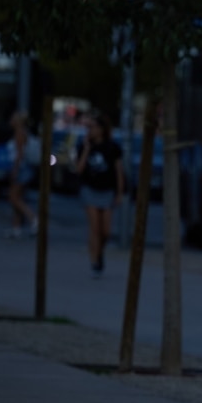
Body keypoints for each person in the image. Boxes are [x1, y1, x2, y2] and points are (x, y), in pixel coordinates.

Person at [74, 111, 124, 278]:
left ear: (103, 129)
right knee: (94, 228)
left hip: (107, 190)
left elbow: (118, 172)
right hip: (90, 189)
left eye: (94, 127)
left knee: (106, 231)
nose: (92, 130)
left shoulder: (113, 147)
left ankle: (99, 251)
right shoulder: (83, 145)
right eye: (90, 127)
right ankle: (94, 261)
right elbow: (79, 170)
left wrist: (119, 192)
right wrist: (86, 149)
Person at [4, 111, 38, 238]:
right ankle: (16, 227)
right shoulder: (23, 132)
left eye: (12, 118)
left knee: (13, 197)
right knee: (17, 198)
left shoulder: (19, 133)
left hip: (21, 168)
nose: (10, 121)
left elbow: (19, 154)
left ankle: (34, 218)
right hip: (24, 168)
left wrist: (15, 169)